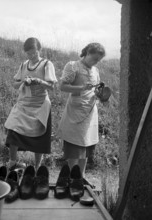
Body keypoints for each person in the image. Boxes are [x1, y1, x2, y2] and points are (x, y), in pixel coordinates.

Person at [4, 37, 57, 170]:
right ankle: (12, 161)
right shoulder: (23, 65)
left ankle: (38, 166)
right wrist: (23, 82)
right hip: (23, 104)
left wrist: (39, 81)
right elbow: (15, 84)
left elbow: (52, 86)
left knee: (39, 136)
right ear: (25, 53)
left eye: (35, 52)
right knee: (13, 129)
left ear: (39, 50)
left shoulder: (46, 64)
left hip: (40, 105)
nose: (32, 56)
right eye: (29, 53)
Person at [57, 42, 106, 177]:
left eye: (98, 60)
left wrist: (100, 94)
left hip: (90, 113)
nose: (96, 62)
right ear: (87, 53)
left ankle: (81, 176)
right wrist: (81, 88)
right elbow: (62, 86)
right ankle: (73, 176)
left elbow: (96, 90)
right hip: (75, 111)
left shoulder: (95, 71)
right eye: (94, 58)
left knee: (86, 144)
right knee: (74, 146)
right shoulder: (73, 66)